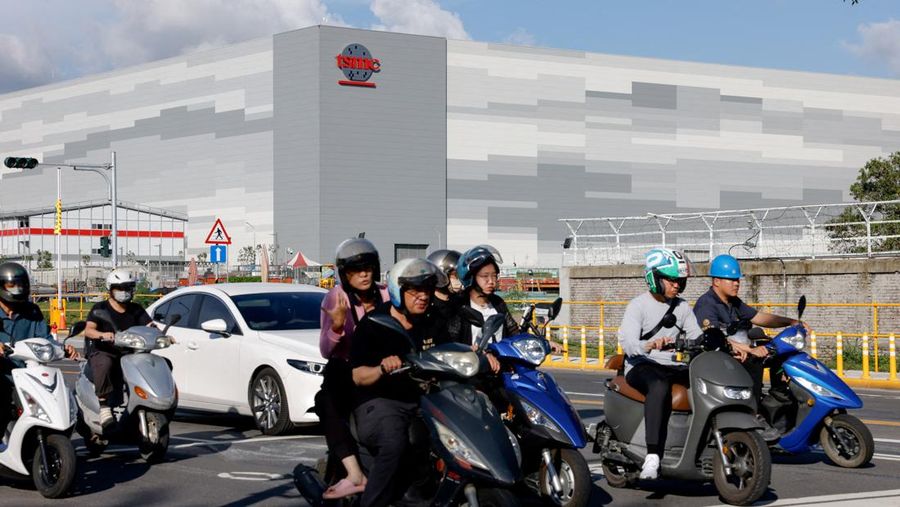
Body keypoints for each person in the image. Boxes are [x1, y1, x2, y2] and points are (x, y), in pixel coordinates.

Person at [350, 258, 450, 507]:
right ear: (397, 290)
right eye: (415, 290)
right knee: (394, 442)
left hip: (424, 399)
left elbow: (448, 351)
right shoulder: (374, 324)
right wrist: (382, 368)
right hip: (381, 401)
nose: (423, 296)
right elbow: (358, 375)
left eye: (427, 290)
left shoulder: (433, 320)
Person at [693, 254, 810, 437]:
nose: (736, 283)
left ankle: (780, 403)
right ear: (716, 281)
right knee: (754, 360)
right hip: (716, 357)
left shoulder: (733, 303)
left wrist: (791, 322)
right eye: (731, 280)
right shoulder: (707, 305)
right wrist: (750, 349)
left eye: (737, 280)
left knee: (780, 355)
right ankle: (753, 414)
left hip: (735, 352)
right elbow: (713, 337)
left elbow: (759, 317)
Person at [618, 248, 703, 480]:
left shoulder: (683, 307)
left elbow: (697, 335)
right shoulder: (638, 306)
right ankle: (652, 456)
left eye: (680, 281)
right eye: (672, 280)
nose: (677, 285)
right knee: (659, 386)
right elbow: (628, 344)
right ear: (655, 278)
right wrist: (650, 345)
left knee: (703, 382)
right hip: (641, 365)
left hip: (673, 365)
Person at [316, 238, 388, 500]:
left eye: (368, 268)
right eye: (356, 271)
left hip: (384, 369)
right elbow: (325, 349)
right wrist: (336, 327)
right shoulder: (337, 297)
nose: (363, 274)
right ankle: (355, 473)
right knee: (326, 401)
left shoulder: (386, 293)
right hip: (346, 371)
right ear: (345, 274)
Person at [0, 262, 78, 434]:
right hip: (3, 375)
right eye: (12, 285)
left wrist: (63, 348)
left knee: (62, 399)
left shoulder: (32, 311)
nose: (17, 289)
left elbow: (46, 339)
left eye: (20, 285)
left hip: (29, 375)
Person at [83, 268, 152, 429]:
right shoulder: (100, 308)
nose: (125, 292)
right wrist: (102, 335)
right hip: (106, 351)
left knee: (160, 363)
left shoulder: (136, 309)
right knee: (104, 363)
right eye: (120, 288)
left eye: (128, 288)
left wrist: (160, 334)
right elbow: (88, 330)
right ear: (111, 289)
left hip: (132, 354)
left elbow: (149, 326)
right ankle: (104, 406)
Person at [450, 245, 519, 345]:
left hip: (501, 359)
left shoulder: (498, 303)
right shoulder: (460, 306)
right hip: (472, 360)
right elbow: (452, 342)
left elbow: (513, 330)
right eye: (484, 276)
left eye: (494, 276)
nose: (491, 281)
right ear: (471, 277)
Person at [425, 249, 463, 321]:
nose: (459, 280)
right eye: (455, 275)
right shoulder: (426, 305)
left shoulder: (461, 303)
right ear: (440, 275)